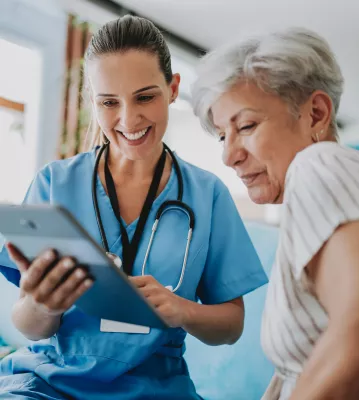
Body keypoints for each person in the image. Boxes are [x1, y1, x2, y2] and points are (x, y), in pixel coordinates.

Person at [0, 15, 268, 399]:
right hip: (48, 384)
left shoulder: (208, 195)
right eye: (109, 102)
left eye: (145, 97)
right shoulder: (54, 183)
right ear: (93, 102)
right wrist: (43, 305)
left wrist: (181, 310)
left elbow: (232, 325)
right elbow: (29, 325)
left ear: (173, 89)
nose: (129, 119)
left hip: (157, 388)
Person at [191, 28, 359, 399]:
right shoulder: (350, 177)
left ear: (315, 114)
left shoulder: (320, 166)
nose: (229, 156)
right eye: (224, 136)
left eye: (247, 126)